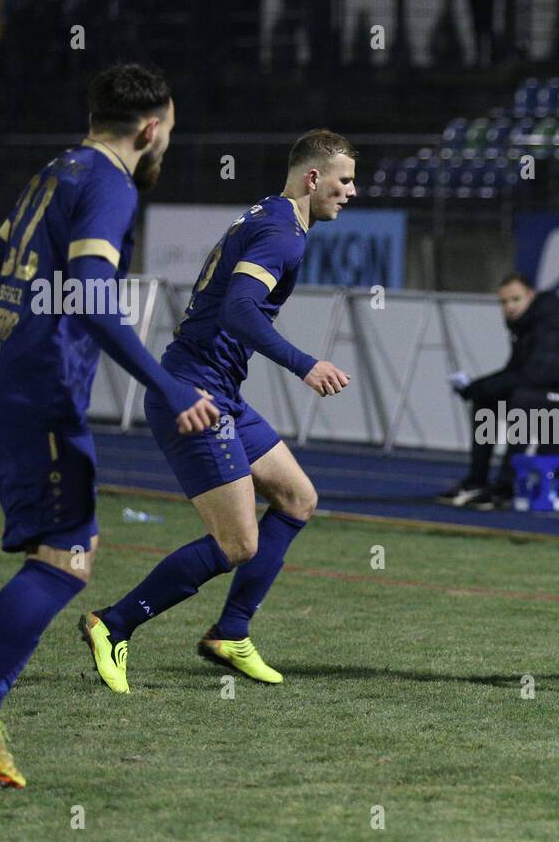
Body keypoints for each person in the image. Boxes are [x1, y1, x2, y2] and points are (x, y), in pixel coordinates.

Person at [0, 64, 219, 801]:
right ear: (152, 127)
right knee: (66, 558)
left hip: (8, 377)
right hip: (39, 388)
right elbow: (94, 299)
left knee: (67, 547)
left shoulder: (56, 171)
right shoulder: (110, 182)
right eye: (169, 127)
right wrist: (170, 388)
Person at [78, 130, 356, 693]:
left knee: (298, 497)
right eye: (344, 180)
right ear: (313, 178)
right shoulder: (283, 234)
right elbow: (238, 311)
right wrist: (305, 364)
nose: (351, 191)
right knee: (238, 544)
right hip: (194, 395)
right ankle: (114, 623)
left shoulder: (271, 216)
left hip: (219, 390)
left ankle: (230, 632)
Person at [436, 274, 559, 511]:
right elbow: (517, 372)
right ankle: (477, 479)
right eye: (504, 302)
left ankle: (506, 484)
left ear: (531, 296)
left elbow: (540, 374)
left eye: (515, 299)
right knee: (487, 401)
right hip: (548, 395)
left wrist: (480, 386)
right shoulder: (524, 327)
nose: (510, 307)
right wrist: (478, 389)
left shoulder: (552, 323)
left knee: (523, 400)